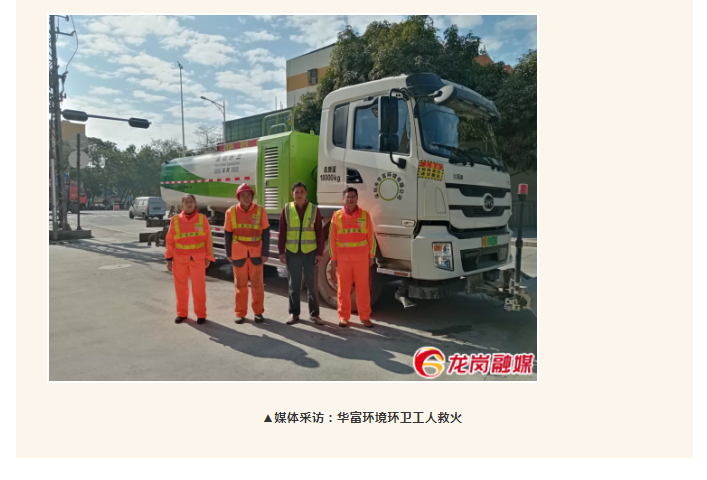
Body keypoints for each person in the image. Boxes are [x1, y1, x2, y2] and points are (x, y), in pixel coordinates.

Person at [278, 182, 325, 326]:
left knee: (312, 285)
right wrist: (281, 252)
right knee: (294, 284)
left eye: (302, 192)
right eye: (296, 192)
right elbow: (282, 232)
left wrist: (319, 253)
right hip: (292, 253)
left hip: (310, 253)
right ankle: (294, 313)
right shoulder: (287, 209)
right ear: (292, 194)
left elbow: (320, 232)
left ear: (306, 193)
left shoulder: (314, 209)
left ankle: (315, 314)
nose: (299, 194)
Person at [329, 187, 376, 328]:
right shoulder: (336, 216)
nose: (350, 199)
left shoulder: (365, 215)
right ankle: (343, 316)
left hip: (361, 258)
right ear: (343, 199)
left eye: (353, 196)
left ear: (357, 198)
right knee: (343, 289)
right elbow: (331, 239)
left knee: (363, 289)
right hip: (343, 259)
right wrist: (333, 259)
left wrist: (371, 256)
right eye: (348, 196)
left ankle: (365, 316)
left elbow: (371, 237)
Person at [165, 194, 215, 325]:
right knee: (180, 288)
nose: (189, 204)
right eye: (186, 202)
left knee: (199, 288)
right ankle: (182, 313)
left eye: (191, 201)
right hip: (179, 258)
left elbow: (208, 239)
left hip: (197, 258)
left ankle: (201, 314)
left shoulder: (202, 219)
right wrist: (169, 258)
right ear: (182, 205)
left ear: (195, 203)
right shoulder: (175, 220)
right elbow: (170, 241)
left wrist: (209, 256)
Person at [225, 183, 270, 324]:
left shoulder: (260, 211)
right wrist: (228, 253)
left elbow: (266, 233)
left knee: (258, 284)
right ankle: (240, 313)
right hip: (238, 253)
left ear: (252, 196)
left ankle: (258, 312)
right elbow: (227, 234)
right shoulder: (231, 212)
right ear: (238, 197)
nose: (246, 198)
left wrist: (265, 253)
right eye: (243, 195)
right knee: (240, 285)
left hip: (256, 252)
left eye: (248, 195)